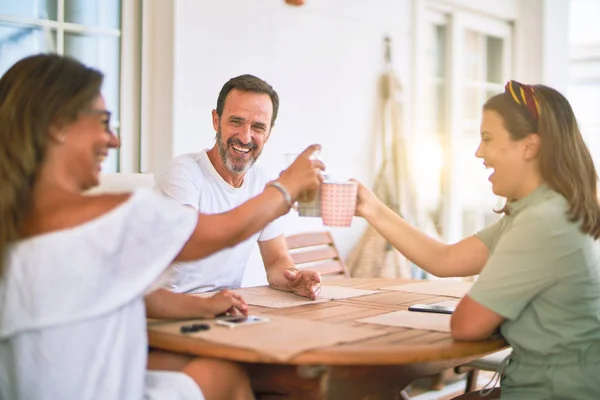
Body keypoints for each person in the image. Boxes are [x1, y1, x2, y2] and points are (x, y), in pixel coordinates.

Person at [0, 54, 324, 400]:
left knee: (239, 374)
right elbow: (215, 234)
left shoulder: (18, 224)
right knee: (250, 380)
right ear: (57, 126)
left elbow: (130, 292)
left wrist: (205, 305)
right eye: (103, 123)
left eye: (258, 126)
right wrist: (287, 187)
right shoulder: (112, 217)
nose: (114, 141)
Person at [353, 81, 600, 399]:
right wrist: (372, 208)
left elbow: (466, 326)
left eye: (487, 139)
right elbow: (445, 260)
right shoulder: (541, 210)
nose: (479, 152)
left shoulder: (543, 221)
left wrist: (492, 304)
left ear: (529, 146)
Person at [147, 74, 321, 320]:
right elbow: (191, 241)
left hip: (225, 312)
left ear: (269, 133)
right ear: (216, 121)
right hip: (170, 314)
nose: (245, 137)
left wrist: (293, 278)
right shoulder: (184, 172)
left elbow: (276, 261)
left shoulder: (261, 181)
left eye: (258, 127)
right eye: (236, 122)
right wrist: (281, 192)